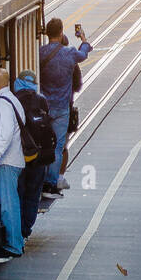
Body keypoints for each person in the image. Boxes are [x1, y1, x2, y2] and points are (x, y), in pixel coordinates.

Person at [39, 17, 92, 197]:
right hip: (62, 108)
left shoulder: (40, 53)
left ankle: (42, 178)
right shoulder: (69, 54)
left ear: (47, 33)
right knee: (58, 146)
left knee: (44, 143)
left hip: (44, 107)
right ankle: (51, 183)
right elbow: (83, 54)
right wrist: (83, 39)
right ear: (61, 33)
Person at [0, 67, 26, 259]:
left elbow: (6, 132)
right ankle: (14, 242)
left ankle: (13, 245)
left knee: (8, 204)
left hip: (6, 162)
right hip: (9, 161)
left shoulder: (3, 103)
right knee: (8, 202)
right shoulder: (10, 99)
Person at [13, 70, 55, 237]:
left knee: (18, 193)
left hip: (19, 154)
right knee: (32, 195)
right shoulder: (41, 100)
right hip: (39, 156)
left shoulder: (14, 100)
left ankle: (17, 228)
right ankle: (26, 231)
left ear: (18, 83)